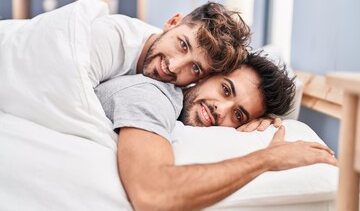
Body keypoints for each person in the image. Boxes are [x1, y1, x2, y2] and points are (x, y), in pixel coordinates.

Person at [94, 51, 337, 210]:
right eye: (226, 90)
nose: (222, 109)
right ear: (206, 75)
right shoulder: (151, 96)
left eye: (238, 114)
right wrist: (269, 158)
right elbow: (152, 194)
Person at [89, 1, 251, 87]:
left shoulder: (185, 85)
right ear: (172, 22)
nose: (173, 67)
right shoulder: (110, 38)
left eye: (195, 68)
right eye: (183, 45)